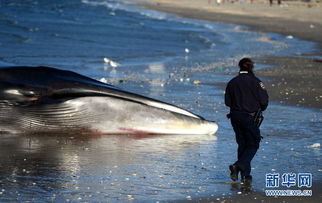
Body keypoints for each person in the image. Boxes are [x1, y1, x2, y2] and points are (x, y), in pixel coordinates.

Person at [225, 58, 269, 183]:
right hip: (249, 117)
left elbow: (227, 102)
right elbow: (264, 102)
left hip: (235, 116)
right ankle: (238, 166)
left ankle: (246, 176)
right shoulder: (256, 82)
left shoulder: (232, 82)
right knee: (254, 143)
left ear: (239, 67)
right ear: (251, 67)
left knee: (242, 144)